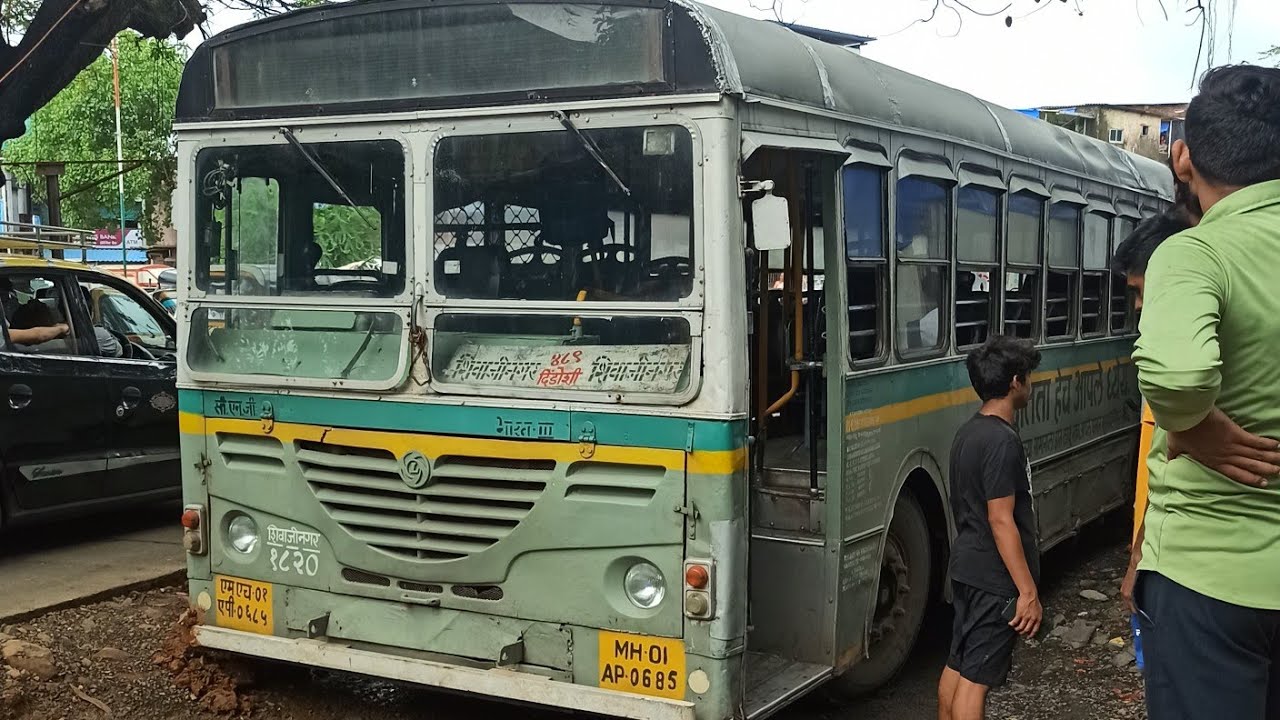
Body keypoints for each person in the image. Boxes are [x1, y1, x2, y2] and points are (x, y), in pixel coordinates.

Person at [1132, 63, 1280, 720]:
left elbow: (1178, 373)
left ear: (1182, 155)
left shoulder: (1196, 253)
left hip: (1209, 584)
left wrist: (1194, 425)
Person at [938, 335, 1041, 720]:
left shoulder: (968, 433)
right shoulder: (1001, 441)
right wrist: (1027, 590)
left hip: (967, 567)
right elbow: (1001, 520)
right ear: (1015, 382)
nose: (1031, 384)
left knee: (958, 666)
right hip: (993, 578)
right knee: (976, 682)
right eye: (1028, 376)